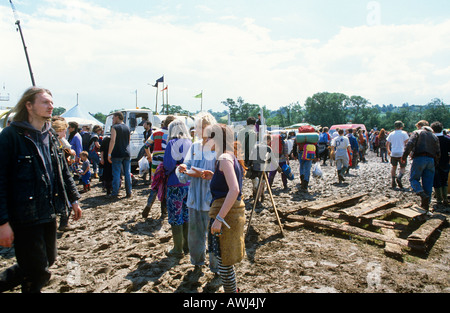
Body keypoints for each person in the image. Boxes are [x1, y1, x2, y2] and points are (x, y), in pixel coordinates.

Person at [0, 87, 82, 293]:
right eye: (45, 102)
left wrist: (74, 199)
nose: (51, 106)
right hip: (23, 214)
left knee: (47, 260)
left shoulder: (51, 136)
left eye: (51, 102)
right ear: (29, 105)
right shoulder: (10, 136)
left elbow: (63, 171)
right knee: (38, 270)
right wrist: (2, 222)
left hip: (48, 210)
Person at [201, 124, 246, 293]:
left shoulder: (224, 159)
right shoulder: (228, 157)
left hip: (227, 216)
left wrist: (219, 218)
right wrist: (215, 177)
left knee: (225, 263)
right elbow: (231, 185)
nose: (206, 141)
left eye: (209, 137)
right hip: (230, 214)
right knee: (226, 261)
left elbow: (235, 190)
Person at [176, 112, 218, 273]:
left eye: (202, 127)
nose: (199, 130)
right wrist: (182, 169)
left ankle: (215, 266)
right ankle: (197, 262)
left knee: (214, 236)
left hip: (211, 199)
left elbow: (218, 173)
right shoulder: (194, 146)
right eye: (198, 127)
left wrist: (198, 172)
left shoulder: (217, 148)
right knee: (195, 234)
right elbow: (185, 166)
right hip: (194, 198)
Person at [163, 119, 192, 257]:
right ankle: (187, 245)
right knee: (186, 215)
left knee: (176, 215)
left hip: (175, 183)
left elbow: (168, 165)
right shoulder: (190, 143)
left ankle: (177, 248)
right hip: (189, 183)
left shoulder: (172, 143)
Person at [402, 120, 440, 214]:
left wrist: (404, 157)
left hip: (419, 158)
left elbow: (409, 144)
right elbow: (438, 151)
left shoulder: (417, 133)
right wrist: (435, 162)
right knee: (428, 184)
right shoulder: (434, 136)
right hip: (431, 160)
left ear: (421, 127)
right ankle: (426, 207)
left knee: (413, 179)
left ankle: (421, 193)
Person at [141, 115, 176, 218]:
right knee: (165, 186)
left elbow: (146, 145)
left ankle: (148, 205)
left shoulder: (155, 133)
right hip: (166, 164)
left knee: (155, 185)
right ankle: (163, 212)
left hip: (155, 163)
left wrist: (149, 156)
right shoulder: (172, 135)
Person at [107, 112, 132, 198]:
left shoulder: (114, 127)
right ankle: (129, 191)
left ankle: (115, 192)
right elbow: (128, 141)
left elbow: (112, 141)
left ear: (117, 117)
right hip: (127, 152)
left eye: (113, 118)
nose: (113, 120)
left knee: (116, 174)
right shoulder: (127, 127)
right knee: (127, 173)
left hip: (117, 153)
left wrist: (109, 153)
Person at [236, 117, 258, 197]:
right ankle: (255, 193)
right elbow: (251, 148)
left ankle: (238, 194)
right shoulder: (252, 133)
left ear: (247, 123)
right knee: (254, 177)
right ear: (254, 124)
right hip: (248, 157)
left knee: (239, 177)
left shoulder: (240, 132)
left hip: (238, 156)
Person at [430, 121, 450, 205]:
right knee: (444, 180)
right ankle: (445, 198)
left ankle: (439, 199)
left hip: (434, 162)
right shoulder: (447, 139)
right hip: (445, 161)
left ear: (432, 129)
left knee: (436, 180)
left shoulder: (431, 139)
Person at [386, 121, 409, 189]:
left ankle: (393, 181)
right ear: (401, 126)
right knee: (402, 167)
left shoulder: (391, 133)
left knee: (394, 167)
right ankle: (399, 178)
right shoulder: (404, 133)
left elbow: (387, 143)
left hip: (394, 152)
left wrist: (388, 150)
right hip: (401, 153)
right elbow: (407, 143)